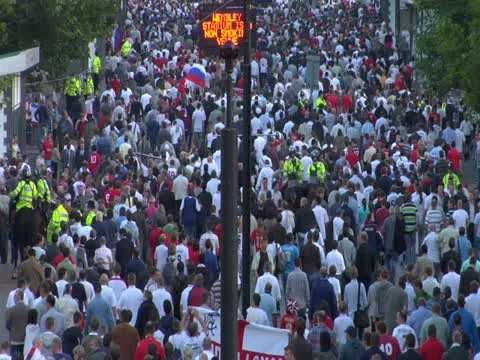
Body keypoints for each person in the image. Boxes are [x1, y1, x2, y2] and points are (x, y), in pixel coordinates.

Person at [6, 289, 29, 357]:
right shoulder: (28, 309)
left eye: (15, 296)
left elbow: (7, 324)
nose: (13, 298)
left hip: (14, 340)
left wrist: (12, 330)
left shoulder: (11, 310)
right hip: (25, 339)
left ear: (18, 297)